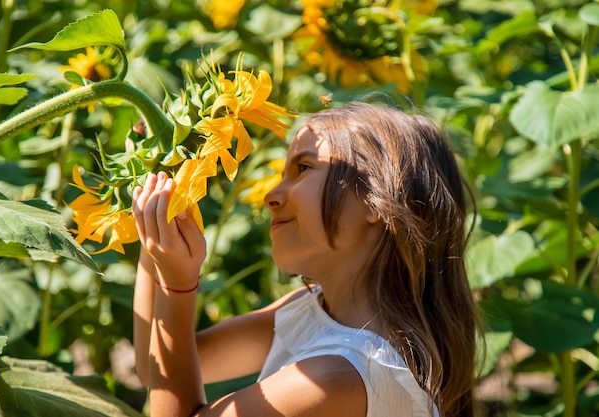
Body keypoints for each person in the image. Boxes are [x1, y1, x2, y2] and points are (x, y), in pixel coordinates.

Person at [132, 101, 482, 417]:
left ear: (377, 199)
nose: (271, 195)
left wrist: (176, 283)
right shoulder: (315, 312)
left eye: (303, 168)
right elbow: (154, 369)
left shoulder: (339, 376)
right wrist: (158, 229)